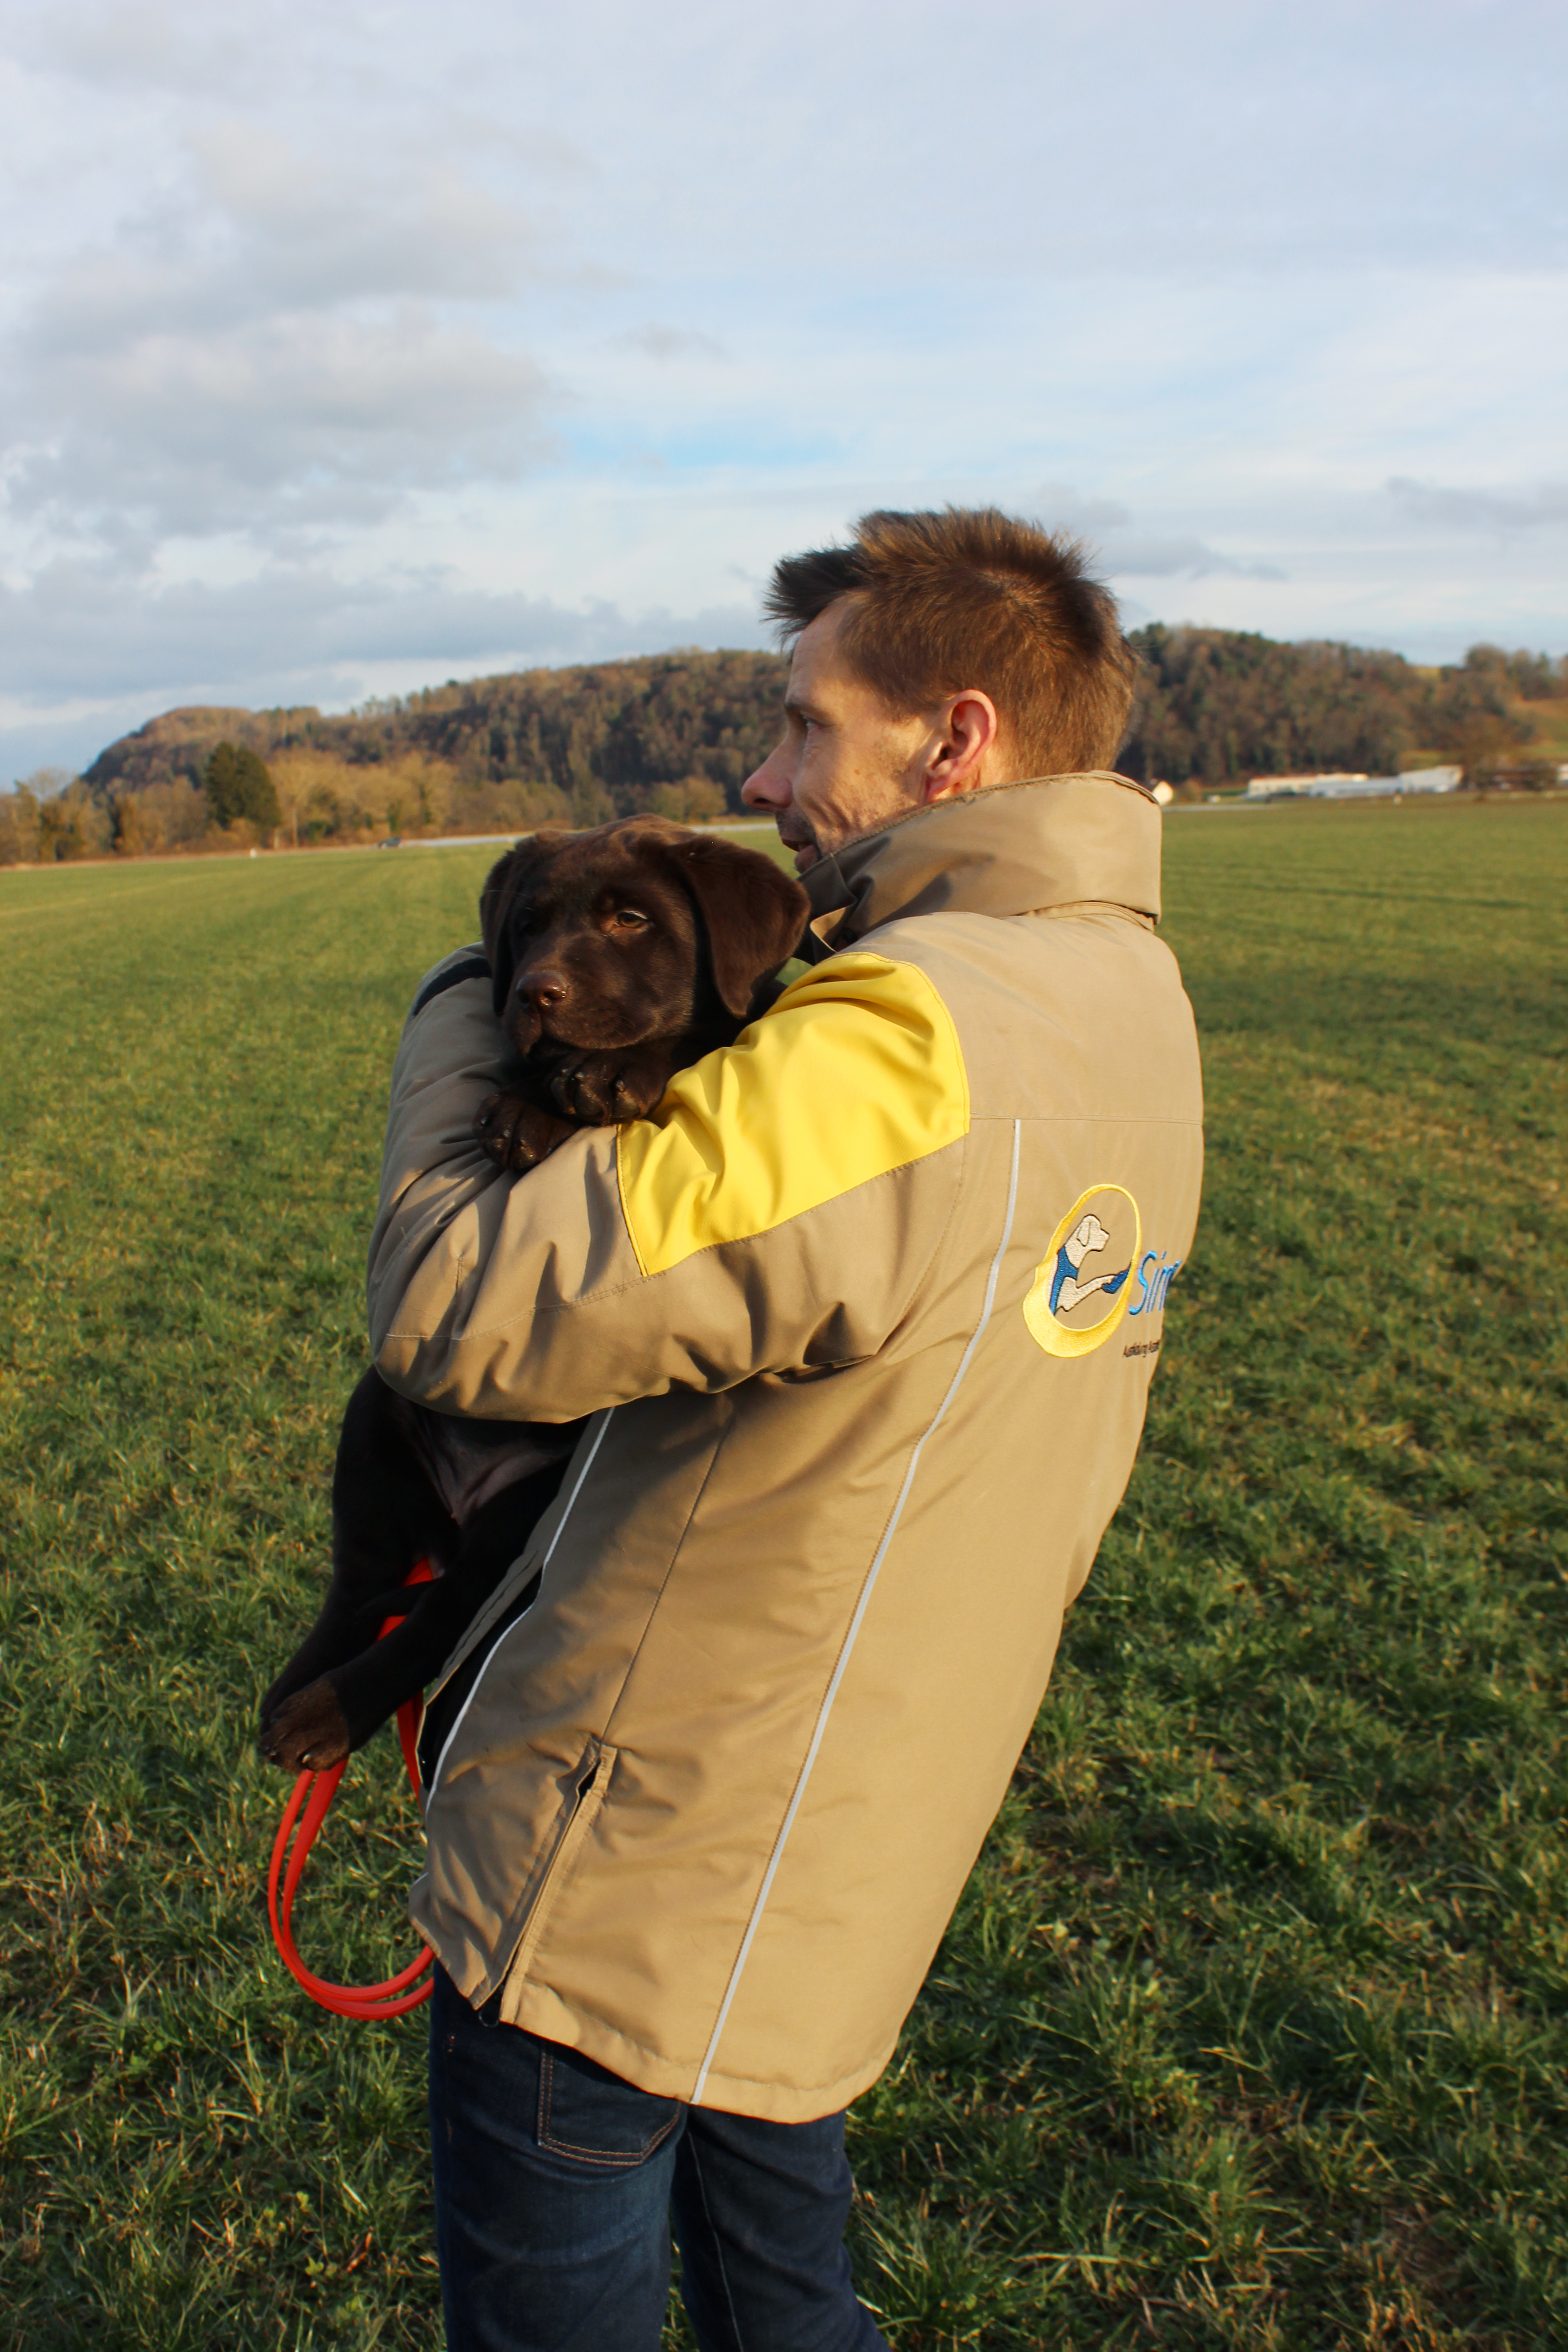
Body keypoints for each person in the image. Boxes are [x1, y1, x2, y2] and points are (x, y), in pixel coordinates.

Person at [368, 506, 1204, 2350]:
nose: (763, 771)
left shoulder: (904, 1035)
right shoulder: (1131, 998)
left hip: (643, 1866)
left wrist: (471, 987)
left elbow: (464, 1306)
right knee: (789, 2310)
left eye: (807, 724)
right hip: (855, 1842)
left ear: (955, 739)